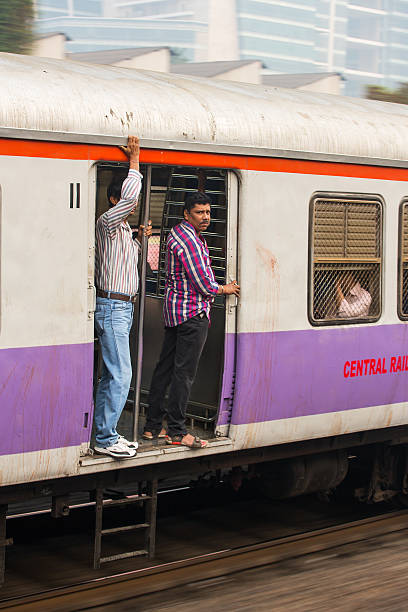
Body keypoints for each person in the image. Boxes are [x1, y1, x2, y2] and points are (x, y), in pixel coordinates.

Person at [144, 191, 240, 449]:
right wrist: (224, 289)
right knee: (183, 375)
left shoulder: (177, 233)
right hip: (191, 314)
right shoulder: (190, 241)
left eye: (208, 212)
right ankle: (177, 431)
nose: (206, 217)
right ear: (187, 214)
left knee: (164, 369)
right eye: (200, 212)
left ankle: (152, 426)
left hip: (176, 312)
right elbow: (204, 284)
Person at [94, 136, 152, 459]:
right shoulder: (107, 223)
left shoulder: (126, 234)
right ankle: (106, 437)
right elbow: (130, 202)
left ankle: (104, 433)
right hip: (113, 306)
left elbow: (145, 263)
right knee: (122, 373)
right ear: (114, 199)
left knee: (111, 373)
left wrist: (142, 238)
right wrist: (135, 163)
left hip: (122, 307)